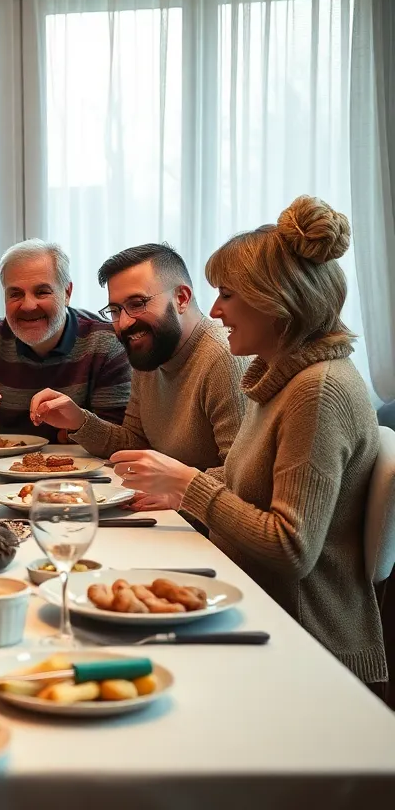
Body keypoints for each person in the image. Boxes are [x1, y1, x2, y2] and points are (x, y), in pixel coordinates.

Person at [110, 196, 386, 688]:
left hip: (302, 643)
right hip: (254, 605)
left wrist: (190, 485)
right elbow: (244, 480)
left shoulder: (317, 391)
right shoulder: (279, 377)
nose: (214, 311)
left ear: (277, 300)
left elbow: (290, 548)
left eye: (228, 295)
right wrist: (176, 486)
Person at [29, 244, 248, 510]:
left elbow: (241, 477)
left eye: (137, 304)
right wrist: (79, 421)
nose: (123, 324)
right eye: (116, 310)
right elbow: (136, 441)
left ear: (181, 298)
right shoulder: (153, 351)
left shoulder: (224, 358)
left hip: (207, 534)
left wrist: (180, 493)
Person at [0, 239, 132, 440]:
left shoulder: (104, 342)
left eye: (42, 292)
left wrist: (77, 427)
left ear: (67, 293)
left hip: (79, 475)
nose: (28, 305)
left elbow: (119, 435)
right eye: (15, 294)